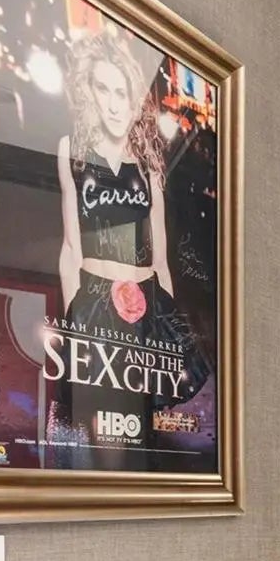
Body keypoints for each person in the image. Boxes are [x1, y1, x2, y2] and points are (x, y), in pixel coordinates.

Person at [51, 24, 209, 462]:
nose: (113, 103)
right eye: (103, 89)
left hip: (148, 301)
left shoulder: (149, 165)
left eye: (121, 92)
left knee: (141, 425)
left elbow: (160, 259)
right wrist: (74, 319)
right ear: (90, 94)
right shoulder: (71, 150)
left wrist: (168, 327)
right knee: (103, 425)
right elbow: (71, 248)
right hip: (95, 300)